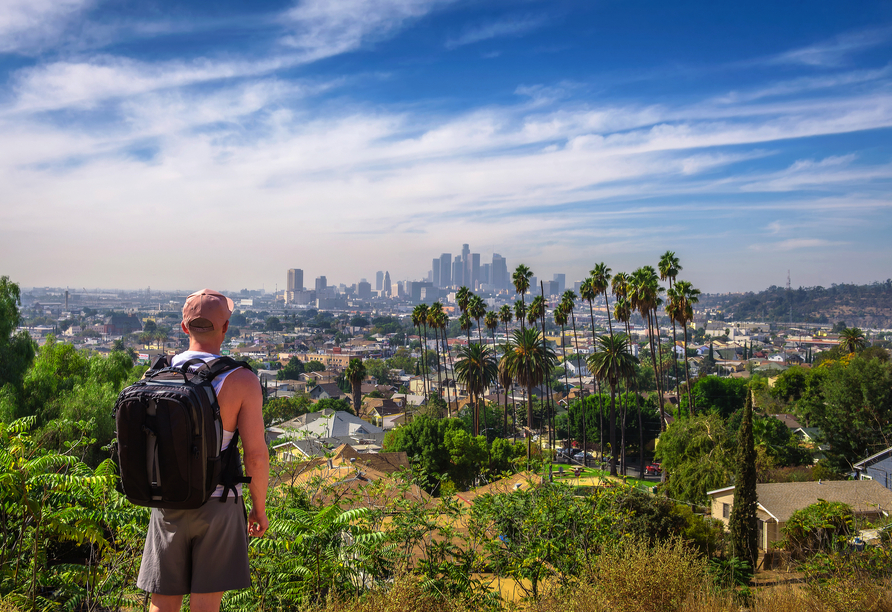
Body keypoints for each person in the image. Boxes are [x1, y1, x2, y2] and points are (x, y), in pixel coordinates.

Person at [136, 289, 269, 612]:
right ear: (225, 328)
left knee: (161, 604)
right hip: (218, 502)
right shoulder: (241, 379)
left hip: (168, 500)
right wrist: (258, 509)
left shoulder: (155, 374)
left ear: (184, 328)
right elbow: (255, 456)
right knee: (205, 607)